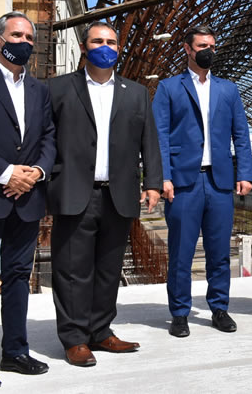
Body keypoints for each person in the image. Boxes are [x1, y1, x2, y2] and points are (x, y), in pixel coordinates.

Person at [48, 21, 162, 366]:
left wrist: (153, 182)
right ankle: (74, 338)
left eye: (111, 42)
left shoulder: (136, 92)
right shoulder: (58, 89)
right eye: (98, 41)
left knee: (108, 268)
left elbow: (149, 141)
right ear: (84, 48)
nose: (105, 47)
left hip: (119, 194)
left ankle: (101, 332)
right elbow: (45, 140)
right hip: (74, 191)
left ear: (118, 48)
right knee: (72, 269)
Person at [152, 26, 252, 338]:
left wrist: (245, 173)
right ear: (187, 49)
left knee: (219, 250)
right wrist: (163, 176)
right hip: (184, 182)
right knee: (181, 251)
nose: (207, 50)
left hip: (220, 180)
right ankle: (180, 313)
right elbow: (159, 137)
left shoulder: (228, 90)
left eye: (211, 45)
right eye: (201, 45)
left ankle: (219, 307)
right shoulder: (169, 88)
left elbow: (242, 135)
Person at [0, 11, 55, 389]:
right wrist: (8, 173)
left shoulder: (39, 90)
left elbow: (48, 139)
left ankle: (15, 352)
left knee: (16, 277)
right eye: (16, 36)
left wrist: (36, 174)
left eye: (29, 37)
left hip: (26, 198)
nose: (24, 43)